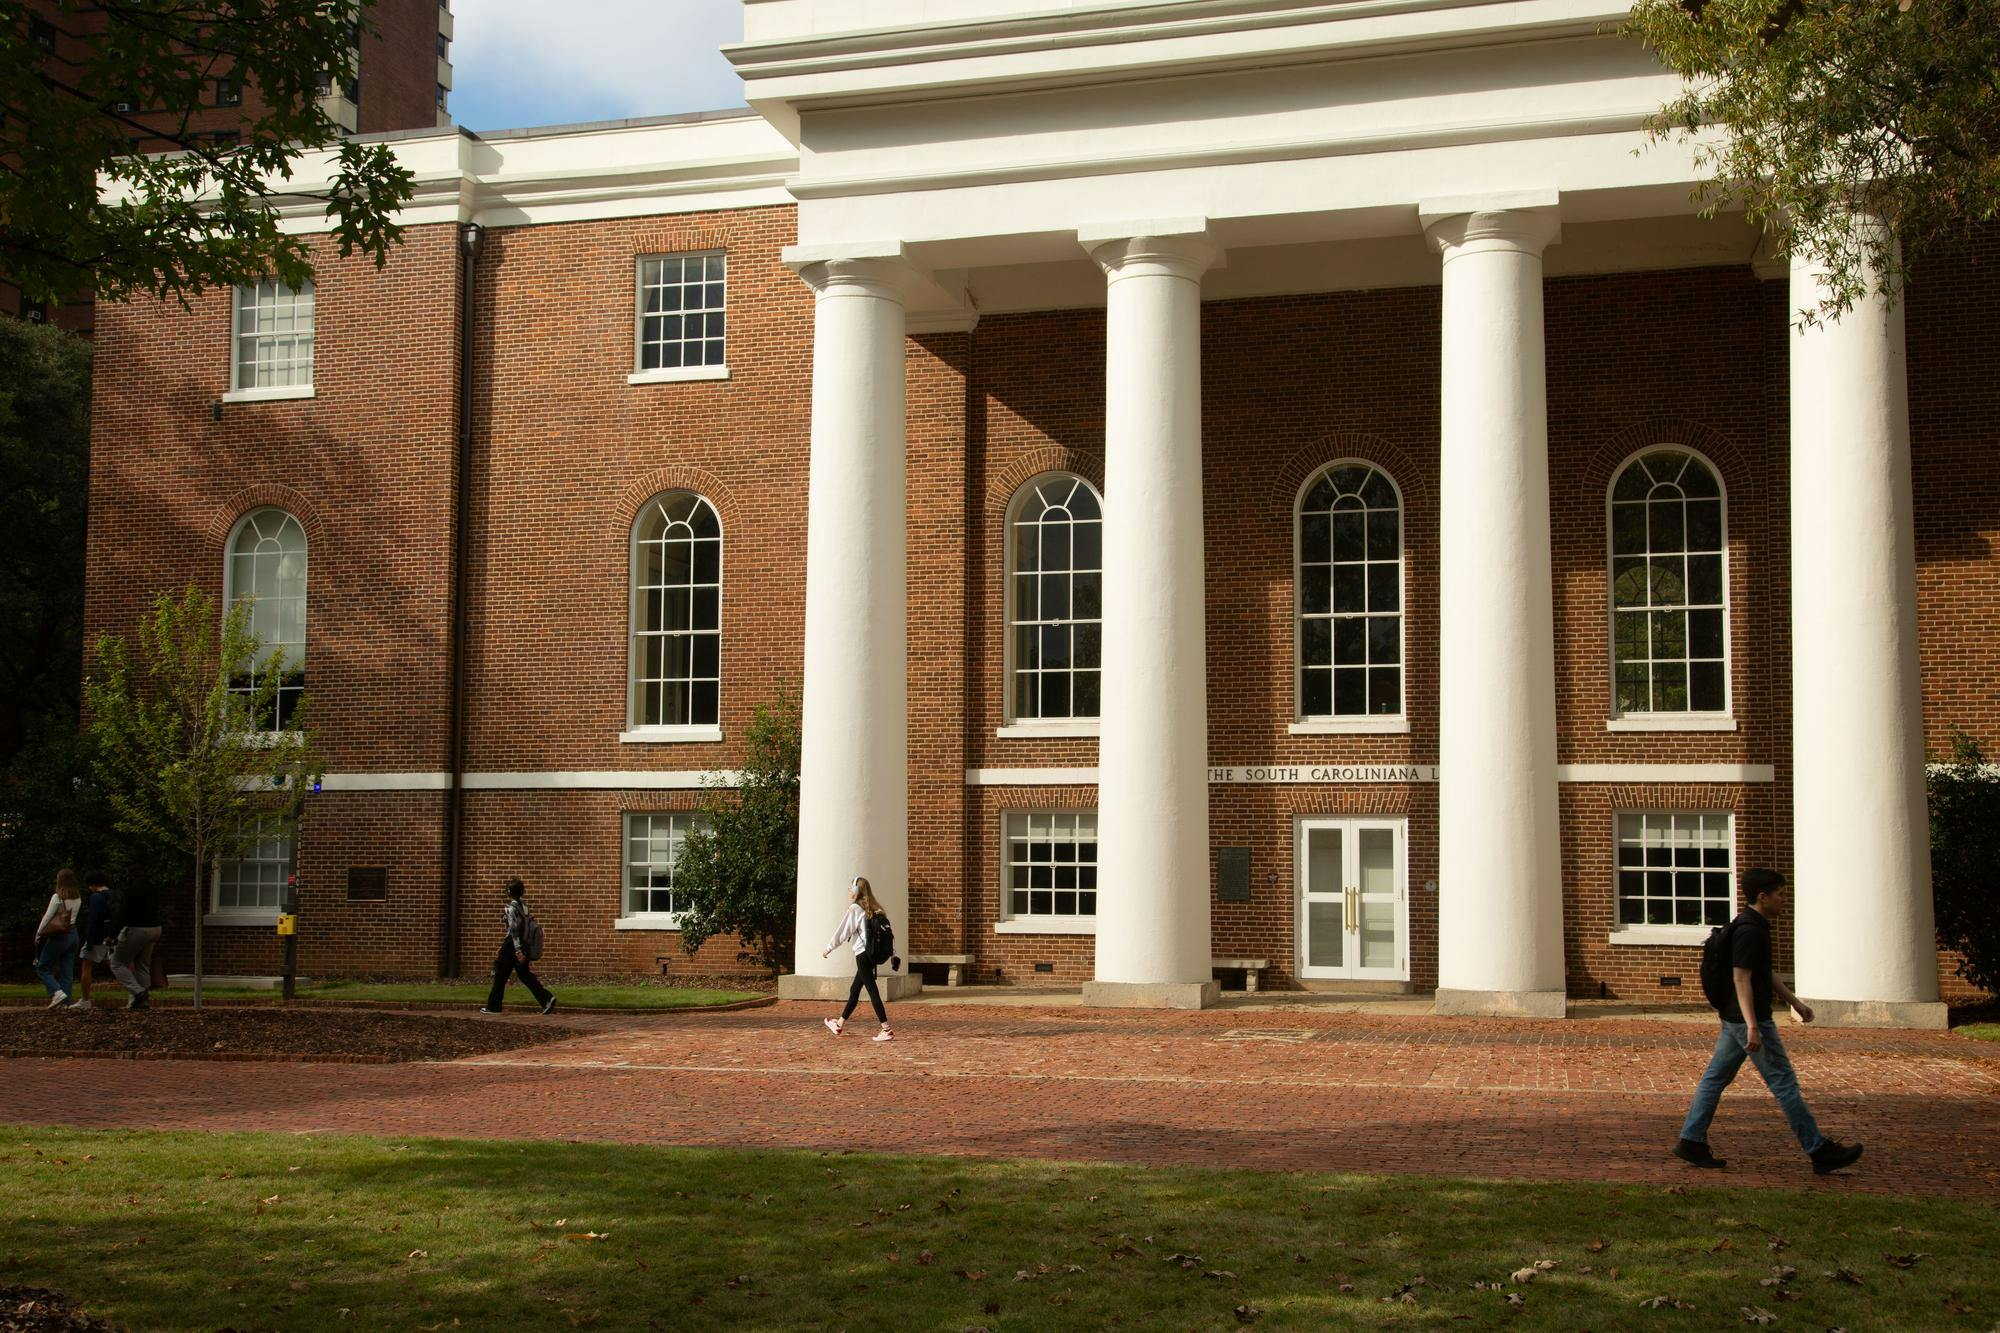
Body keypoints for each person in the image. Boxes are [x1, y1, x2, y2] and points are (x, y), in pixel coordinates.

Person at [1674, 868, 1863, 1175]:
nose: (1783, 899)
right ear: (1763, 897)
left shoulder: (1753, 926)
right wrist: (1752, 1025)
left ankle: (1691, 1141)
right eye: (1780, 894)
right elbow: (1741, 978)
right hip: (1749, 1020)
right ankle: (1818, 1149)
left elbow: (1763, 973)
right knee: (1784, 1083)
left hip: (1736, 1019)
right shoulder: (1750, 931)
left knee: (1715, 1079)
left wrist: (1796, 1003)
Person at [821, 875, 894, 1042]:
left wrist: (829, 948)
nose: (849, 891)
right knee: (855, 989)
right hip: (872, 955)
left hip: (862, 955)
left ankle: (886, 1029)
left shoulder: (855, 909)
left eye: (850, 888)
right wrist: (893, 954)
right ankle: (839, 1024)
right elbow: (888, 935)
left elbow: (844, 930)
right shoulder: (876, 909)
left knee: (872, 991)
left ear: (856, 890)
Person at [481, 878, 556, 1015]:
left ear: (509, 891)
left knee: (500, 975)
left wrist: (517, 950)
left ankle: (494, 1007)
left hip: (513, 946)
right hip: (523, 943)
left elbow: (514, 930)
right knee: (524, 974)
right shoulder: (525, 907)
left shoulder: (510, 908)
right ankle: (546, 999)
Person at [107, 873, 163, 1011]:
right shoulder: (153, 889)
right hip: (156, 928)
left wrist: (113, 934)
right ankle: (143, 1001)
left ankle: (138, 992)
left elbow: (123, 914)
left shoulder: (131, 891)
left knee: (117, 962)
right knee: (142, 963)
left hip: (138, 928)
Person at [33, 870, 83, 1009]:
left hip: (60, 935)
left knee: (43, 967)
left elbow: (48, 917)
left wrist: (39, 933)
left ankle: (56, 992)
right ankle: (65, 1002)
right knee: (67, 969)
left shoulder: (57, 897)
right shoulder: (77, 897)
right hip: (73, 934)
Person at [70, 871, 117, 1009]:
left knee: (86, 965)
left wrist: (90, 940)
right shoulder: (113, 895)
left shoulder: (96, 897)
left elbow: (93, 920)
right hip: (111, 935)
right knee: (115, 964)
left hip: (98, 937)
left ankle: (85, 999)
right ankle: (135, 991)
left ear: (92, 885)